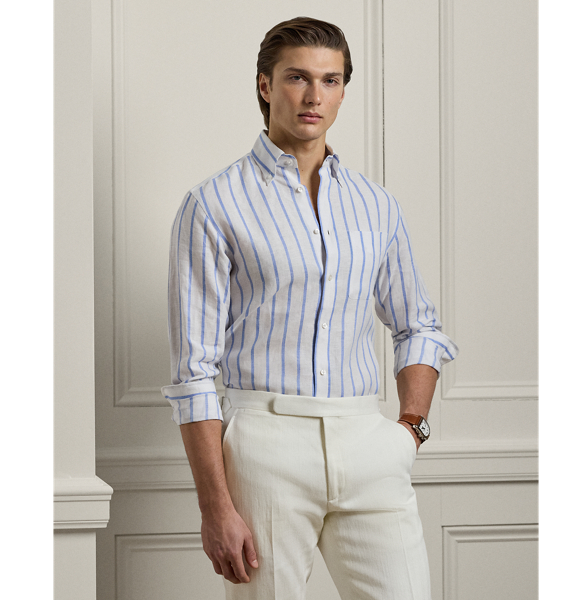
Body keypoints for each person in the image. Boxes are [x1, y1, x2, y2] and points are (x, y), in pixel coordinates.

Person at [162, 16, 458, 600]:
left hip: (368, 440)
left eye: (330, 80)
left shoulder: (377, 205)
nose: (314, 95)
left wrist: (410, 430)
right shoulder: (213, 204)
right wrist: (215, 506)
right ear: (266, 85)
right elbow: (193, 372)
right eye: (298, 77)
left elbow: (418, 325)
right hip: (265, 445)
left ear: (343, 90)